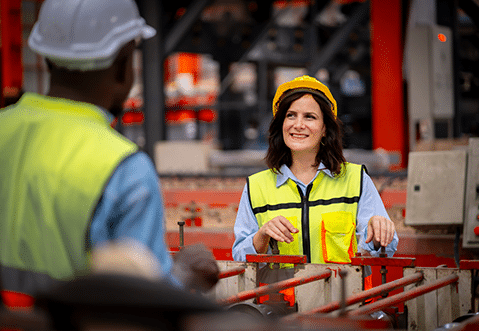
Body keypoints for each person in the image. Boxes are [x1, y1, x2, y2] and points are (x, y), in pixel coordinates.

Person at [0, 0, 218, 305]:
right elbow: (140, 306)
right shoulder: (124, 168)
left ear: (47, 57)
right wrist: (182, 274)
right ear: (123, 65)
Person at [232, 75, 398, 266]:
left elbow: (387, 250)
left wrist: (379, 234)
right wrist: (261, 237)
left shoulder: (356, 180)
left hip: (345, 295)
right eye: (290, 115)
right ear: (281, 124)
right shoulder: (257, 187)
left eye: (309, 117)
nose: (298, 124)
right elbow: (238, 257)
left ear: (325, 129)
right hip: (280, 297)